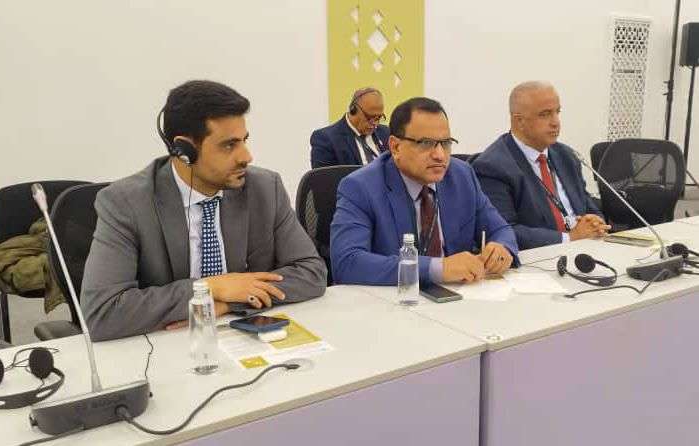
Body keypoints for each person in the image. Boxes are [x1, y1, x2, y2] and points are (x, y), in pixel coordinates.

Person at [82, 80, 327, 341]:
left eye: (244, 140)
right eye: (229, 145)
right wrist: (209, 288)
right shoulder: (125, 203)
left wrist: (227, 302)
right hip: (168, 346)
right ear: (184, 150)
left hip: (245, 337)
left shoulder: (265, 188)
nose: (246, 156)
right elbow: (102, 312)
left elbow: (311, 272)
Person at [330, 97, 518, 285]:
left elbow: (501, 229)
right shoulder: (360, 187)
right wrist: (437, 268)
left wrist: (502, 248)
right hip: (395, 298)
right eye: (426, 143)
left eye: (446, 143)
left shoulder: (462, 176)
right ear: (395, 147)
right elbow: (347, 263)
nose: (440, 155)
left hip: (462, 295)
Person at [473, 81, 610, 250]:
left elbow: (588, 205)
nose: (555, 122)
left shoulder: (566, 155)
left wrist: (595, 222)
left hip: (585, 250)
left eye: (557, 112)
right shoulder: (492, 167)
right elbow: (503, 230)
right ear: (519, 121)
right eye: (545, 114)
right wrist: (569, 238)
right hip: (539, 258)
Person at [310, 87, 390, 168]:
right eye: (369, 117)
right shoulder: (326, 139)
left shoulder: (387, 133)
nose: (375, 123)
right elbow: (325, 175)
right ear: (353, 110)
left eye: (378, 118)